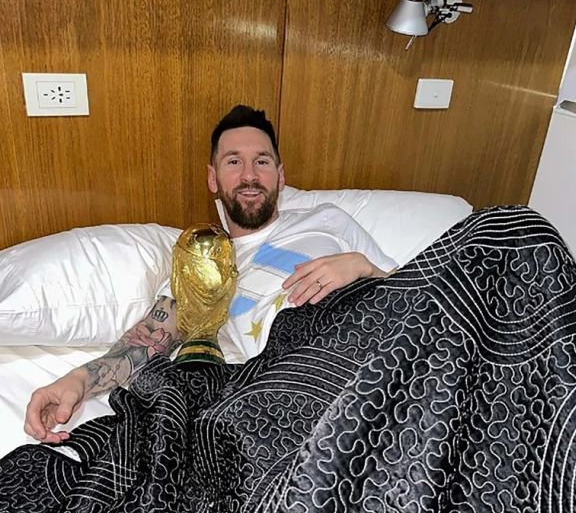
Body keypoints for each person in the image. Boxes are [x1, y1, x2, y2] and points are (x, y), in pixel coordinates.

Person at [24, 105, 396, 445]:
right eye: (234, 162)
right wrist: (76, 382)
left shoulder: (329, 220)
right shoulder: (203, 260)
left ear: (281, 177)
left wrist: (365, 267)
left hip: (380, 339)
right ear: (213, 178)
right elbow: (148, 339)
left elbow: (420, 292)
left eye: (262, 162)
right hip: (308, 378)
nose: (250, 175)